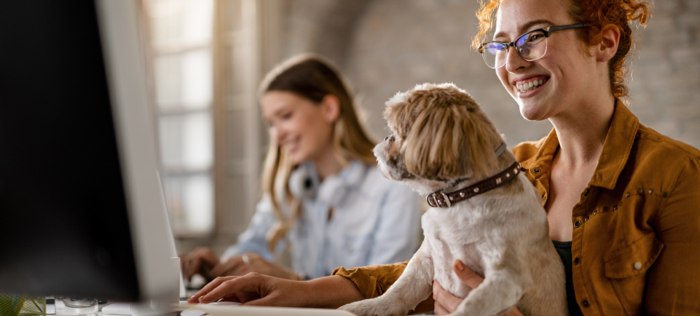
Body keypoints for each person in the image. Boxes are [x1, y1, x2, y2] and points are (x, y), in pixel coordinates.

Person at [188, 0, 700, 314]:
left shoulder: (676, 177)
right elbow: (429, 265)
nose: (513, 60)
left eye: (535, 35)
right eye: (500, 45)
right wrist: (295, 293)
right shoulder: (511, 171)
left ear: (605, 41)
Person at [180, 54, 421, 283]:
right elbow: (251, 248)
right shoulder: (294, 184)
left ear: (329, 109)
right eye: (271, 124)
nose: (277, 135)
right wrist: (219, 267)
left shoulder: (394, 187)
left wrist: (293, 283)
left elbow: (386, 289)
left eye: (285, 116)